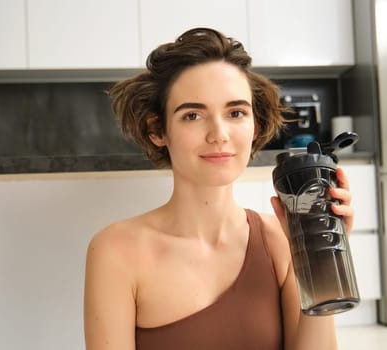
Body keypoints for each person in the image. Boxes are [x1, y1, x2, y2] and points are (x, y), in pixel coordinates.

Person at [84, 27, 354, 350]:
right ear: (158, 130)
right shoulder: (115, 252)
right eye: (193, 115)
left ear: (255, 126)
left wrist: (318, 260)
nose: (219, 133)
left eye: (236, 112)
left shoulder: (280, 239)